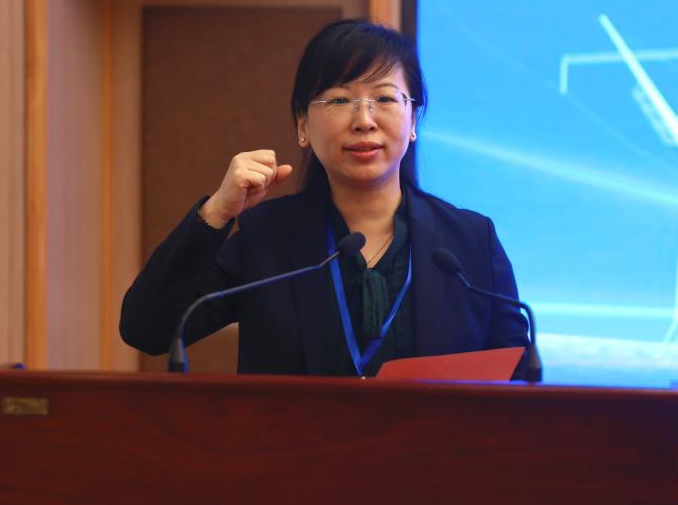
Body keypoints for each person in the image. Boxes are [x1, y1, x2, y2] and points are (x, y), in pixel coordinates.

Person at [120, 19, 528, 376]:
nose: (364, 120)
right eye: (339, 100)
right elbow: (148, 329)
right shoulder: (267, 239)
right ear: (303, 125)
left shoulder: (469, 243)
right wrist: (216, 213)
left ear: (413, 120)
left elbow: (517, 379)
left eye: (384, 99)